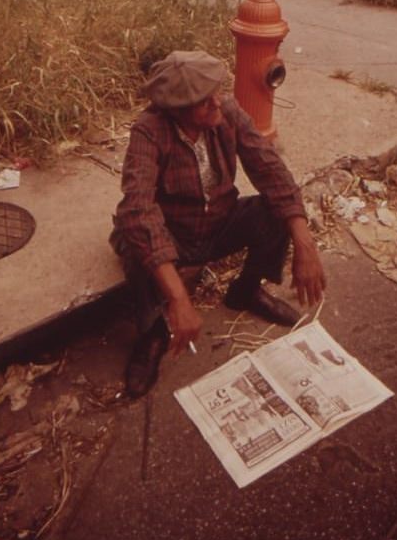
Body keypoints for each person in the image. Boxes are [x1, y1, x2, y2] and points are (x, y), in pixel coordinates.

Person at [110, 49, 326, 399]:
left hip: (218, 222)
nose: (216, 103)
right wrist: (179, 298)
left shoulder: (226, 111)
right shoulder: (149, 131)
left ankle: (246, 290)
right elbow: (138, 210)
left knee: (273, 211)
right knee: (137, 243)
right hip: (174, 233)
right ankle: (153, 334)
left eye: (215, 92)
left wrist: (305, 243)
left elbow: (270, 169)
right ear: (177, 110)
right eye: (202, 101)